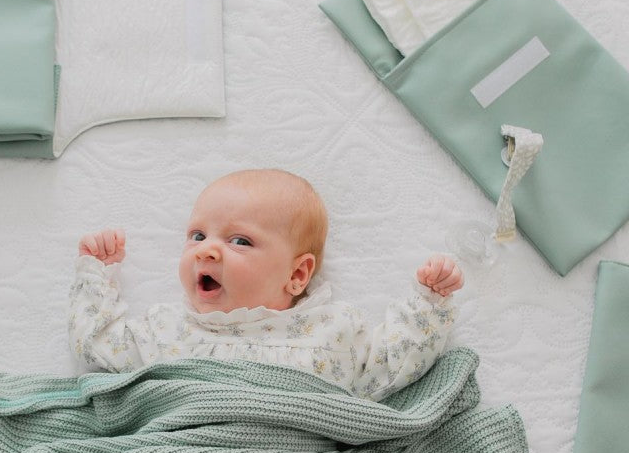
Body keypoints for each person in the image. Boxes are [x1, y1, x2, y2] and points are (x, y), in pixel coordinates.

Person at [69, 169, 463, 401]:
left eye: (239, 241)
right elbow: (96, 344)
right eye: (197, 235)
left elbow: (391, 363)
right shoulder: (167, 330)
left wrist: (428, 303)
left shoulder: (330, 331)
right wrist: (95, 274)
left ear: (297, 275)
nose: (207, 251)